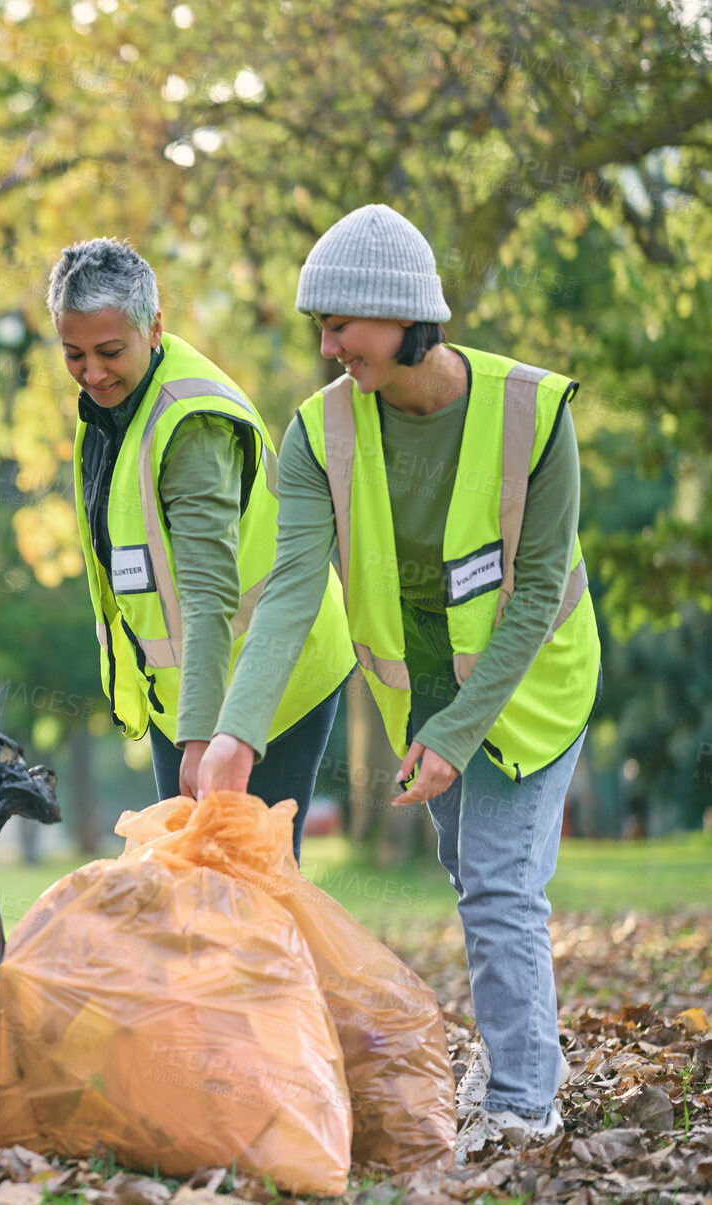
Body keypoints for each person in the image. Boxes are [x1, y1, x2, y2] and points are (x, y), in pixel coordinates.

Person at [198, 204, 601, 1158]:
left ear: (404, 316)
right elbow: (291, 592)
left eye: (342, 323)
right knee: (473, 873)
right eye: (320, 328)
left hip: (531, 682)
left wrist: (460, 733)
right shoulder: (316, 432)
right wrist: (235, 733)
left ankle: (520, 1105)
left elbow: (537, 589)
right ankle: (527, 1056)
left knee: (499, 885)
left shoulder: (531, 411)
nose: (329, 345)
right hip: (417, 687)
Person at [50, 238, 353, 860]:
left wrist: (201, 737)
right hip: (189, 690)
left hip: (270, 681)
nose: (92, 372)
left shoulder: (190, 425)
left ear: (153, 327)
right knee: (195, 885)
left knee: (251, 885)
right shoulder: (112, 410)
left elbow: (208, 594)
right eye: (73, 354)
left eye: (110, 352)